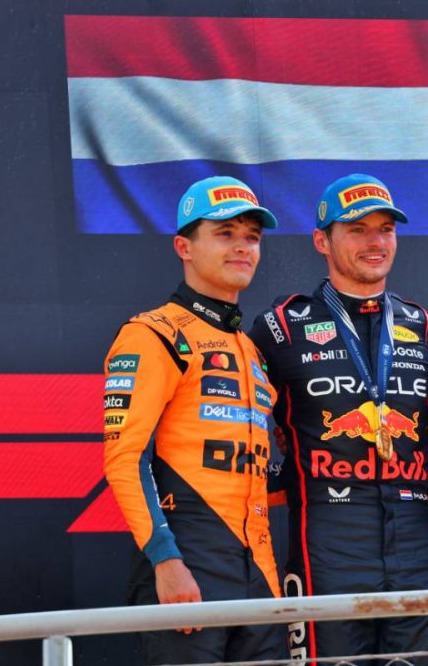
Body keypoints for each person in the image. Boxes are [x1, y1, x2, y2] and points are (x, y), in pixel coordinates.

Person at [249, 173, 428, 662]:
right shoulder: (281, 327)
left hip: (416, 542)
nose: (375, 242)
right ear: (322, 241)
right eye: (357, 230)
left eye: (385, 229)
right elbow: (240, 422)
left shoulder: (422, 325)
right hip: (327, 544)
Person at [102, 176, 287, 665]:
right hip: (188, 564)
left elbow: (255, 471)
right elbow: (125, 459)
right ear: (184, 247)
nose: (243, 247)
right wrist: (166, 560)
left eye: (252, 237)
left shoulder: (251, 350)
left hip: (260, 570)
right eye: (225, 234)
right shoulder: (153, 334)